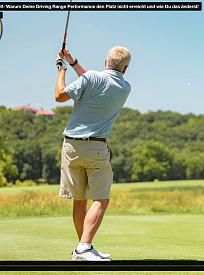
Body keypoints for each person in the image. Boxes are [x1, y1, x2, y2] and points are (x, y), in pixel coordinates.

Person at [55, 46, 131, 261]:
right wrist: (73, 62)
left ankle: (83, 248)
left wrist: (62, 69)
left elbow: (60, 96)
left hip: (70, 147)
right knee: (100, 198)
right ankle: (84, 248)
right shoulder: (125, 87)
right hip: (96, 148)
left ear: (106, 62)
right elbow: (94, 80)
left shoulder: (91, 79)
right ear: (125, 69)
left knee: (79, 200)